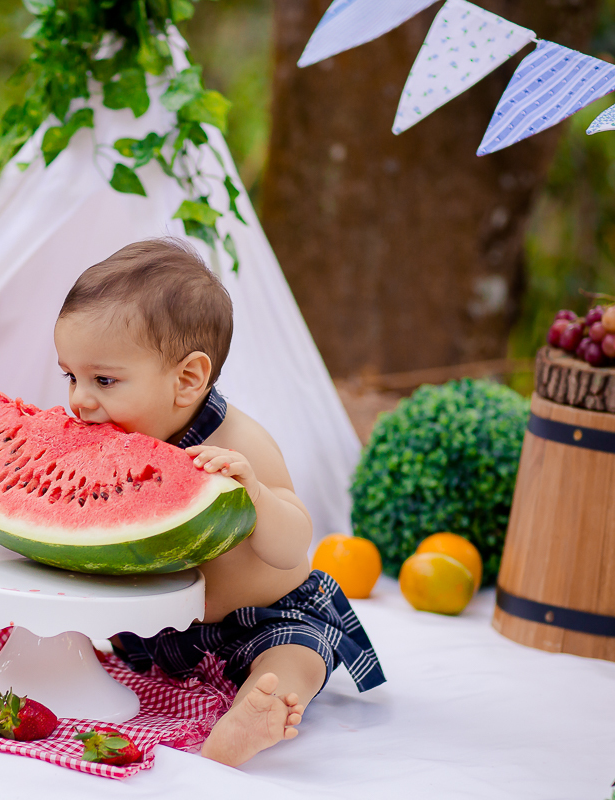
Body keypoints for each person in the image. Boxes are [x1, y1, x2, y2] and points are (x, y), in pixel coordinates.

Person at [54, 238, 385, 767]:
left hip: (262, 621)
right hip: (162, 632)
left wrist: (254, 495)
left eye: (104, 380)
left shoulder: (240, 444)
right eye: (70, 376)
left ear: (188, 380)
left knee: (296, 657)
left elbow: (295, 543)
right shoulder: (113, 440)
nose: (79, 399)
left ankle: (260, 713)